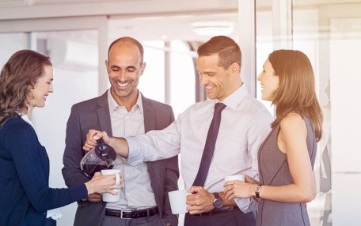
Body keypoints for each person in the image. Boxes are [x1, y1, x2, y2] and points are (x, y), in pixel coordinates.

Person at [83, 36, 274, 226]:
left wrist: (217, 199)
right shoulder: (194, 114)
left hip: (234, 218)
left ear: (234, 69)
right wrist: (111, 141)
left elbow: (264, 186)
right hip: (192, 218)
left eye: (210, 74)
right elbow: (154, 144)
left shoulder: (257, 118)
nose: (203, 81)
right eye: (200, 73)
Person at [0, 49, 119, 226]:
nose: (51, 89)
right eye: (48, 82)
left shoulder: (7, 126)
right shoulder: (19, 131)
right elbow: (42, 199)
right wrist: (91, 186)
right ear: (29, 83)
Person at [62, 36, 179, 226]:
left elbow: (170, 175)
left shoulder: (163, 113)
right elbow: (70, 168)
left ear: (142, 68)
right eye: (115, 68)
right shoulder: (82, 112)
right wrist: (87, 190)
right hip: (102, 219)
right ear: (107, 66)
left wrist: (170, 220)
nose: (122, 78)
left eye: (130, 69)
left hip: (151, 220)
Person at [224, 49, 323, 226]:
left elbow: (306, 191)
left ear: (283, 78)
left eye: (265, 71)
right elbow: (285, 179)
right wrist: (255, 184)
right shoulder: (290, 120)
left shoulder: (291, 122)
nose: (259, 77)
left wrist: (253, 189)